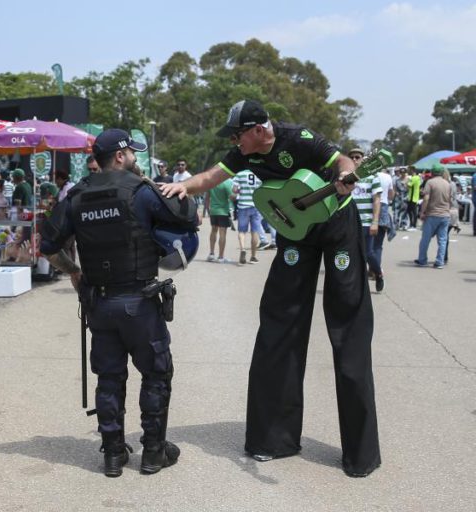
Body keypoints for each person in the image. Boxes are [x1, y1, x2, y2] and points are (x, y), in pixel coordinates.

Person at [160, 99, 380, 477]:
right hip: (296, 230)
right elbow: (212, 176)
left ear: (259, 129)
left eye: (237, 133)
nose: (234, 140)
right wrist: (182, 186)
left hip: (338, 227)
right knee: (279, 326)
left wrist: (345, 178)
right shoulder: (243, 154)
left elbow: (342, 161)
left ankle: (360, 454)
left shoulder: (300, 138)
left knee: (349, 331)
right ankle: (272, 439)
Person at [40, 128, 198, 478]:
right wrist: (152, 183)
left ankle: (113, 453)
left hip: (99, 304)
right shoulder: (140, 191)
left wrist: (75, 272)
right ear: (122, 156)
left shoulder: (77, 195)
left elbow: (48, 246)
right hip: (139, 303)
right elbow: (188, 217)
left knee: (109, 378)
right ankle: (153, 452)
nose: (136, 160)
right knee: (156, 374)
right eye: (133, 155)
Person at [348, 149, 384, 291]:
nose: (355, 160)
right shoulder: (346, 177)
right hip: (349, 222)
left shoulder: (372, 177)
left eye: (357, 157)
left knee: (368, 253)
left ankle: (379, 274)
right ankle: (357, 283)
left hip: (367, 222)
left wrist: (375, 222)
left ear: (363, 159)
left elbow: (377, 200)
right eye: (352, 157)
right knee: (351, 253)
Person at [414, 163, 451, 269]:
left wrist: (422, 212)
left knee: (425, 239)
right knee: (442, 240)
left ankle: (422, 260)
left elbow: (426, 199)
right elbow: (449, 199)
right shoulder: (447, 183)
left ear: (433, 172)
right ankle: (440, 262)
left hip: (432, 214)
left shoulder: (430, 182)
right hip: (445, 214)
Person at [232, 169, 265, 264]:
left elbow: (234, 190)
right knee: (255, 231)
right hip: (256, 205)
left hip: (243, 205)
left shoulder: (240, 174)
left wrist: (239, 190)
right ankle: (253, 256)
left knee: (242, 231)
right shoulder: (259, 173)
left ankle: (242, 249)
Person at [204, 179, 235, 262]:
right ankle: (221, 257)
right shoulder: (227, 183)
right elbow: (232, 197)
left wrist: (208, 210)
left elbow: (207, 198)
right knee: (222, 233)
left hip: (213, 211)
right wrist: (237, 193)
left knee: (213, 231)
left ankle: (211, 254)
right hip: (223, 211)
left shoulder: (211, 182)